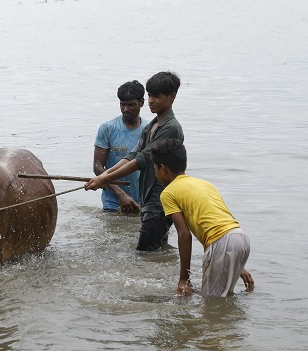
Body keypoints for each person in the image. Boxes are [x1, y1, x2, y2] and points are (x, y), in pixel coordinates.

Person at [85, 71, 184, 250]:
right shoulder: (153, 126)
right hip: (147, 200)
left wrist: (104, 179)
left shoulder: (170, 128)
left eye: (157, 96)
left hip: (160, 199)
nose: (152, 100)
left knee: (147, 252)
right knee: (152, 251)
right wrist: (103, 176)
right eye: (150, 95)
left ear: (172, 96)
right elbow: (132, 155)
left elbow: (143, 159)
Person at [150, 139, 254, 296]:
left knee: (212, 305)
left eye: (155, 168)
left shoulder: (169, 193)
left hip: (223, 243)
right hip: (240, 237)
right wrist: (237, 263)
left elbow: (184, 234)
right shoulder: (204, 184)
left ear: (162, 168)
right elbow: (214, 224)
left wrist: (184, 279)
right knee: (223, 300)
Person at [92, 80, 148, 213]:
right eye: (122, 104)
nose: (125, 109)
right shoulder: (108, 128)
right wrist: (120, 194)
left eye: (130, 105)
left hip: (142, 201)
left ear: (141, 103)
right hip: (113, 201)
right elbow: (97, 167)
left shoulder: (149, 129)